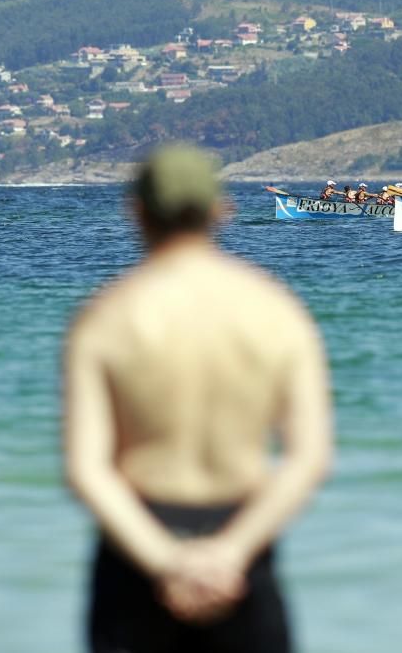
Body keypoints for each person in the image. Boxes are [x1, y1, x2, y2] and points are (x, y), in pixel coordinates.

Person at [62, 144, 333, 653]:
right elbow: (307, 460)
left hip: (136, 549)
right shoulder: (278, 311)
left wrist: (168, 562)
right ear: (219, 210)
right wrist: (229, 554)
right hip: (243, 545)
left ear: (137, 212)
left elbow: (87, 471)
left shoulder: (105, 318)